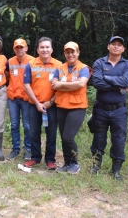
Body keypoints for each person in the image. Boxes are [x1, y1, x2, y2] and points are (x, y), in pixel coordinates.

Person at [89, 36, 128, 181]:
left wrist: (106, 77)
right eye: (113, 44)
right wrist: (118, 85)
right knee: (98, 138)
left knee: (119, 139)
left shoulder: (127, 64)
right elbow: (96, 82)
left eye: (119, 45)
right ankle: (95, 166)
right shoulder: (99, 63)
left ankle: (116, 170)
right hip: (101, 108)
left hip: (119, 110)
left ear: (123, 49)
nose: (116, 47)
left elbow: (126, 81)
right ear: (108, 46)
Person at [51, 42, 92, 174]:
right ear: (64, 54)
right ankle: (66, 163)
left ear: (78, 53)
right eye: (67, 52)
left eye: (73, 52)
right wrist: (70, 85)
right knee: (63, 137)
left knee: (68, 136)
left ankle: (74, 163)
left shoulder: (84, 68)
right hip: (61, 106)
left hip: (77, 107)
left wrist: (62, 85)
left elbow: (81, 84)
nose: (70, 54)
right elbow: (53, 85)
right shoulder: (60, 68)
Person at [23, 37, 61, 170]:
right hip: (34, 105)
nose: (44, 49)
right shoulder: (31, 64)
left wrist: (51, 102)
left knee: (51, 133)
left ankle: (50, 160)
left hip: (51, 105)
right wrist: (37, 103)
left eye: (47, 47)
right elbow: (26, 85)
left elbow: (61, 87)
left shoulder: (59, 65)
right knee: (33, 132)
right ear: (38, 49)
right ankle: (35, 157)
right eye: (42, 47)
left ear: (51, 49)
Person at [5, 39, 34, 161]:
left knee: (27, 126)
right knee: (14, 125)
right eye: (17, 47)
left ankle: (28, 149)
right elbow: (6, 76)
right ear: (14, 49)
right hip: (13, 98)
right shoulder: (9, 62)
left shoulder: (32, 61)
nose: (19, 49)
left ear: (26, 48)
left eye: (22, 47)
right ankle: (15, 149)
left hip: (27, 98)